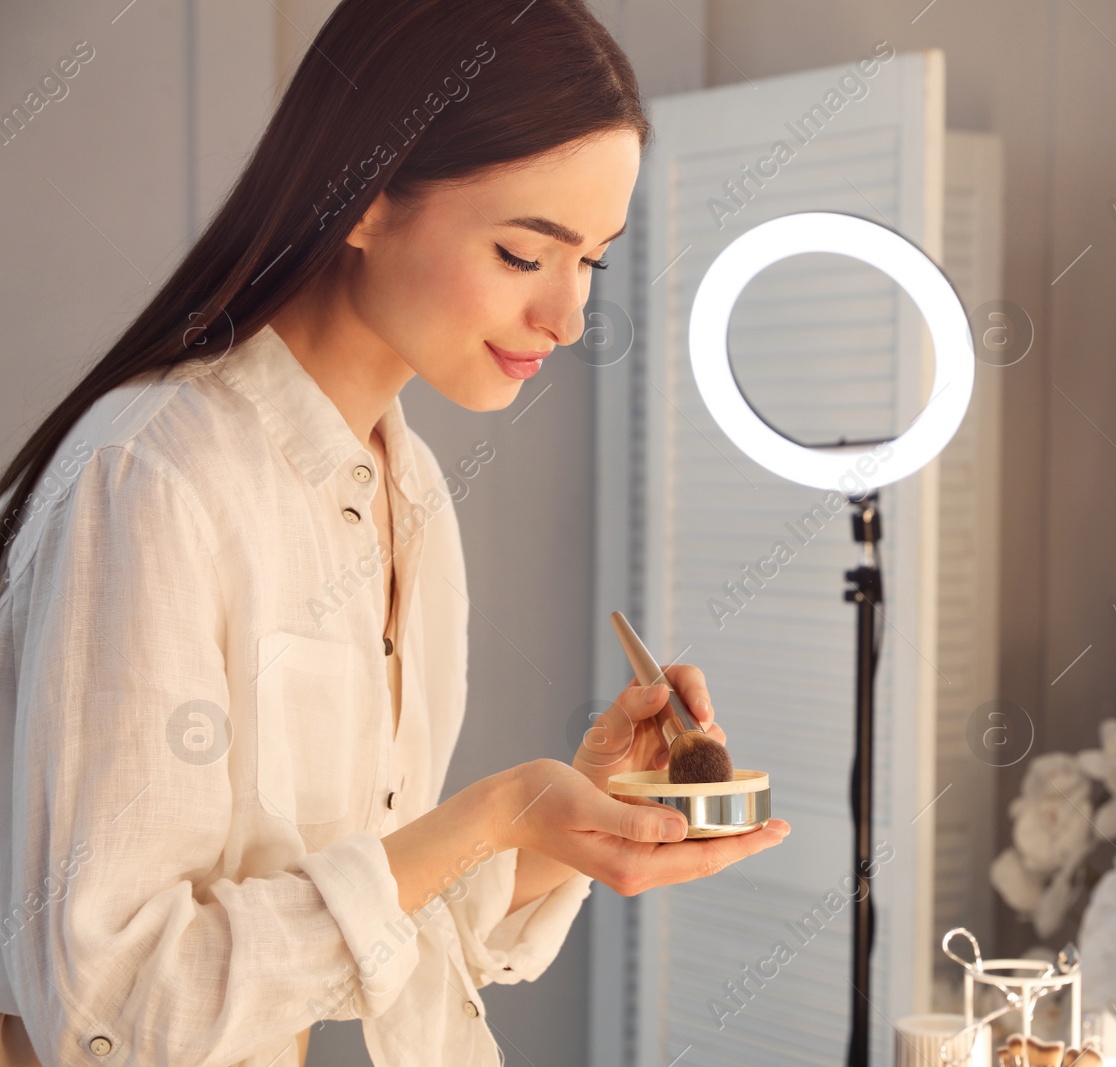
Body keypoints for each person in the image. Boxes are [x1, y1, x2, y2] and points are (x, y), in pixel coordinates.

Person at [0, 1, 788, 1063]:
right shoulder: (155, 476)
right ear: (364, 202)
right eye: (524, 253)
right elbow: (112, 1011)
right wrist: (494, 811)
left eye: (591, 261)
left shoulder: (407, 489)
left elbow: (376, 931)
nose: (568, 317)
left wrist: (570, 820)